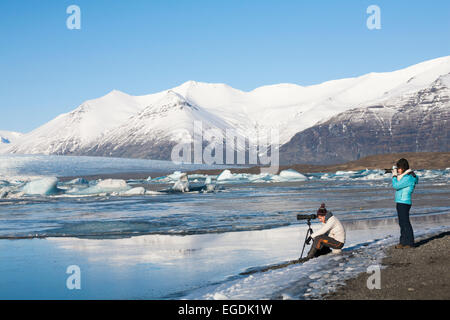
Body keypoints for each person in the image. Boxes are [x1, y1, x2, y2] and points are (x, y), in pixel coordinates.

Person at [392, 158, 419, 248]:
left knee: (405, 223)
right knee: (402, 223)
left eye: (399, 168)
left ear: (403, 167)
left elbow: (396, 185)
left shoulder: (409, 178)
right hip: (400, 201)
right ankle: (403, 242)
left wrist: (394, 176)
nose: (398, 170)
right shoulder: (406, 176)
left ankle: (410, 243)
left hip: (404, 202)